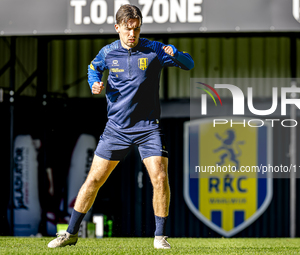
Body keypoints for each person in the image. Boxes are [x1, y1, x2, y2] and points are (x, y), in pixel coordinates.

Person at [47, 4, 194, 249]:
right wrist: (94, 82)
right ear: (118, 28)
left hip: (148, 128)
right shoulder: (108, 52)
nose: (132, 34)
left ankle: (160, 237)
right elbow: (93, 68)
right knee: (93, 180)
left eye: (136, 29)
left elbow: (188, 64)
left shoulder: (154, 49)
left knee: (159, 176)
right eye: (127, 29)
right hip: (116, 128)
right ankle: (70, 234)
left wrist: (176, 53)